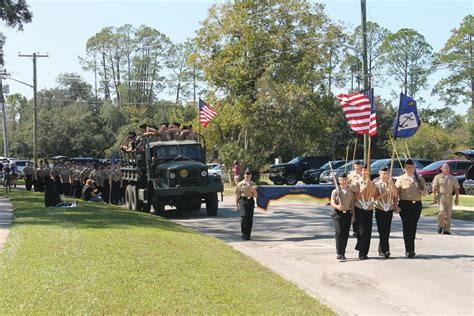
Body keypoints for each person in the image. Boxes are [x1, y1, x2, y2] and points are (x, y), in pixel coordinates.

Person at [395, 159, 427, 258]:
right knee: (407, 226)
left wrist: (421, 188)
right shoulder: (401, 179)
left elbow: (425, 193)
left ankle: (411, 247)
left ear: (414, 168)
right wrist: (395, 205)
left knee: (413, 226)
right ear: (405, 168)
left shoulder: (420, 178)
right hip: (405, 204)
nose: (410, 169)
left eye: (412, 167)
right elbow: (396, 194)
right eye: (408, 167)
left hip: (417, 204)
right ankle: (409, 250)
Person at [373, 167, 400, 259]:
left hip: (389, 209)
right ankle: (385, 250)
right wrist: (385, 193)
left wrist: (391, 184)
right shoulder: (376, 184)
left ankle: (383, 250)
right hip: (380, 209)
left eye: (387, 173)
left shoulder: (391, 183)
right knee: (382, 230)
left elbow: (396, 195)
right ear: (380, 174)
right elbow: (375, 198)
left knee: (387, 230)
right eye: (383, 173)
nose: (385, 175)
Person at [329, 173, 355, 261]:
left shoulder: (350, 191)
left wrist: (353, 215)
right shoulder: (336, 191)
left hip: (347, 214)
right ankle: (339, 253)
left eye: (345, 179)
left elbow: (352, 204)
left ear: (347, 180)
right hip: (337, 214)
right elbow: (332, 203)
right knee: (339, 233)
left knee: (345, 234)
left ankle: (343, 252)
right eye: (341, 180)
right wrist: (338, 207)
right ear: (339, 181)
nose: (343, 181)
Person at [353, 164, 375, 260]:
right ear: (361, 171)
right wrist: (363, 188)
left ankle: (365, 252)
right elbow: (356, 197)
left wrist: (369, 185)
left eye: (367, 171)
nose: (365, 172)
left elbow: (373, 195)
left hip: (369, 208)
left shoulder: (372, 182)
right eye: (364, 170)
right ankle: (361, 251)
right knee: (361, 230)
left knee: (368, 231)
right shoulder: (357, 182)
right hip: (360, 207)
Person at [432, 163, 460, 235]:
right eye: (445, 168)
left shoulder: (452, 178)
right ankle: (440, 225)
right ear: (442, 169)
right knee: (442, 212)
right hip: (441, 197)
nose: (446, 169)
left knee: (448, 214)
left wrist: (457, 198)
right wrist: (434, 196)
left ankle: (446, 230)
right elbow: (434, 187)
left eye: (447, 168)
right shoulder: (438, 177)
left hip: (449, 197)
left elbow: (456, 188)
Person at [235, 168, 258, 240]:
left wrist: (254, 191)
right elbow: (237, 196)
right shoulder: (240, 184)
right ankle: (243, 233)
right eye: (246, 175)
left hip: (250, 201)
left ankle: (248, 234)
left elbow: (256, 196)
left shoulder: (253, 184)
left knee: (249, 218)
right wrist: (237, 206)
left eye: (249, 175)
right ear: (244, 175)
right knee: (244, 217)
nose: (247, 176)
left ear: (251, 176)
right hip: (243, 201)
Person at [348, 160, 363, 237]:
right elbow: (348, 185)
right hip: (354, 196)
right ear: (354, 166)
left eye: (359, 165)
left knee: (362, 213)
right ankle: (355, 229)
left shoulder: (363, 174)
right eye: (356, 166)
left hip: (363, 197)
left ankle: (361, 228)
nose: (357, 167)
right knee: (354, 213)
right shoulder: (351, 175)